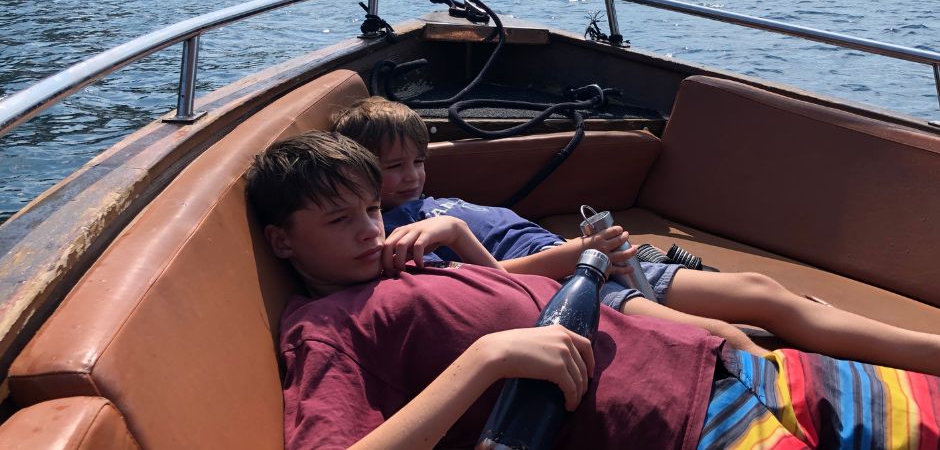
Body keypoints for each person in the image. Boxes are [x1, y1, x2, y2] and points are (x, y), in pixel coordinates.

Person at [247, 131, 940, 450]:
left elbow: (499, 296)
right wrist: (487, 361)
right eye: (341, 221)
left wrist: (457, 241)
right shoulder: (325, 327)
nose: (371, 231)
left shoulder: (403, 264)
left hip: (720, 367)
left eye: (371, 211)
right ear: (283, 241)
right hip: (680, 429)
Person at [333, 96, 940, 376]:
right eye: (391, 168)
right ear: (358, 174)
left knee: (764, 288)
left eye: (417, 161)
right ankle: (811, 402)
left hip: (593, 258)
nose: (410, 176)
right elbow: (480, 293)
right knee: (727, 337)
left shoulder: (427, 203)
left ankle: (926, 350)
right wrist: (565, 254)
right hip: (573, 282)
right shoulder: (397, 233)